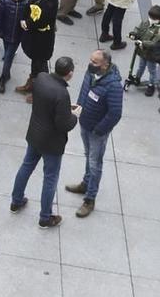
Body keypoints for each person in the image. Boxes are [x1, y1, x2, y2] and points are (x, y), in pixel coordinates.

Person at [9, 56, 78, 226]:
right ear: (69, 74)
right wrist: (74, 116)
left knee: (26, 166)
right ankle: (45, 217)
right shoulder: (62, 94)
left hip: (35, 133)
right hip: (52, 142)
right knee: (50, 178)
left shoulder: (41, 78)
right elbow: (64, 124)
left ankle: (16, 201)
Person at [64, 48, 123, 216]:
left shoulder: (113, 86)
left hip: (97, 131)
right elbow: (84, 91)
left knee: (95, 162)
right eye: (90, 60)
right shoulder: (91, 74)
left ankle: (90, 199)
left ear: (105, 65)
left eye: (95, 62)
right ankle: (86, 183)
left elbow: (115, 114)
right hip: (85, 123)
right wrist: (79, 107)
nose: (91, 64)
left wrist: (99, 130)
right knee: (88, 155)